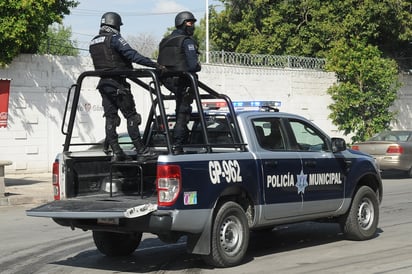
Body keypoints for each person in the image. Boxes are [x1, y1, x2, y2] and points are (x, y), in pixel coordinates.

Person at [89, 12, 163, 161]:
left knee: (111, 118)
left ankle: (116, 151)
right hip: (118, 84)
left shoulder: (93, 41)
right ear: (115, 24)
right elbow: (132, 55)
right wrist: (154, 64)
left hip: (104, 85)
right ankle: (141, 150)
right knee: (132, 117)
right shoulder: (114, 38)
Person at [157, 11, 201, 154]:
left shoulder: (164, 40)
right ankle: (177, 144)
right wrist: (198, 66)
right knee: (183, 113)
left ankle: (176, 141)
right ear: (182, 23)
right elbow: (193, 65)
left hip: (167, 81)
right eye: (190, 23)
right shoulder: (186, 41)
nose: (192, 26)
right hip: (183, 80)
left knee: (179, 110)